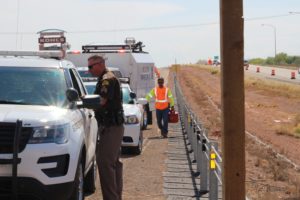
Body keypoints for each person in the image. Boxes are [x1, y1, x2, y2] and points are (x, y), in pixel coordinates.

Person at [88, 55, 124, 200]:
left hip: (111, 127)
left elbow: (101, 101)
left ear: (101, 64)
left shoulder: (107, 79)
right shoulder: (105, 78)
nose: (89, 70)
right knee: (114, 164)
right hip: (111, 126)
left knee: (104, 163)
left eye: (91, 66)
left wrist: (83, 103)